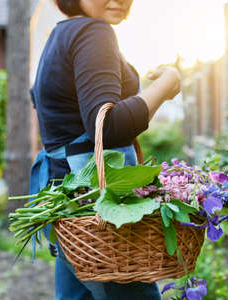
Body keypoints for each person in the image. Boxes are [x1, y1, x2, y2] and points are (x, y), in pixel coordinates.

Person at [29, 0, 181, 299]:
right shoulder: (92, 32)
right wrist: (167, 85)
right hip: (95, 200)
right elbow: (107, 126)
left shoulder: (62, 33)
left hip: (71, 196)